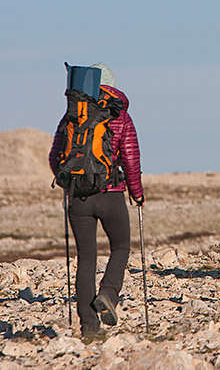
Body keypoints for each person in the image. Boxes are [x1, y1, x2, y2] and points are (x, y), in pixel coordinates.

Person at [48, 63, 144, 340]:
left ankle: (89, 326)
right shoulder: (120, 116)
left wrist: (69, 184)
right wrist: (136, 193)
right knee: (121, 247)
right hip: (111, 194)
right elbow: (130, 158)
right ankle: (108, 294)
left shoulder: (72, 115)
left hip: (78, 197)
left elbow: (56, 157)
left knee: (86, 259)